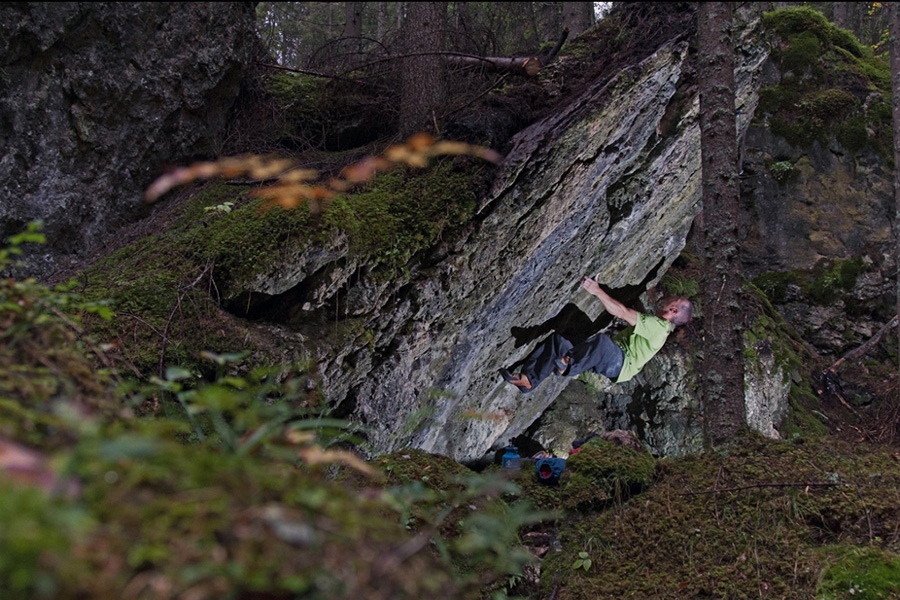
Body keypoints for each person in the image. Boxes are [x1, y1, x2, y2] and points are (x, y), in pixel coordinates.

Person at [499, 275, 693, 393]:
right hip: (605, 358)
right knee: (558, 342)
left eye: (673, 299)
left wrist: (596, 290)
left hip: (620, 363)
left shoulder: (659, 327)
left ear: (674, 311)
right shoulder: (658, 325)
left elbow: (622, 313)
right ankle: (529, 380)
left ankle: (568, 366)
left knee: (602, 342)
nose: (668, 298)